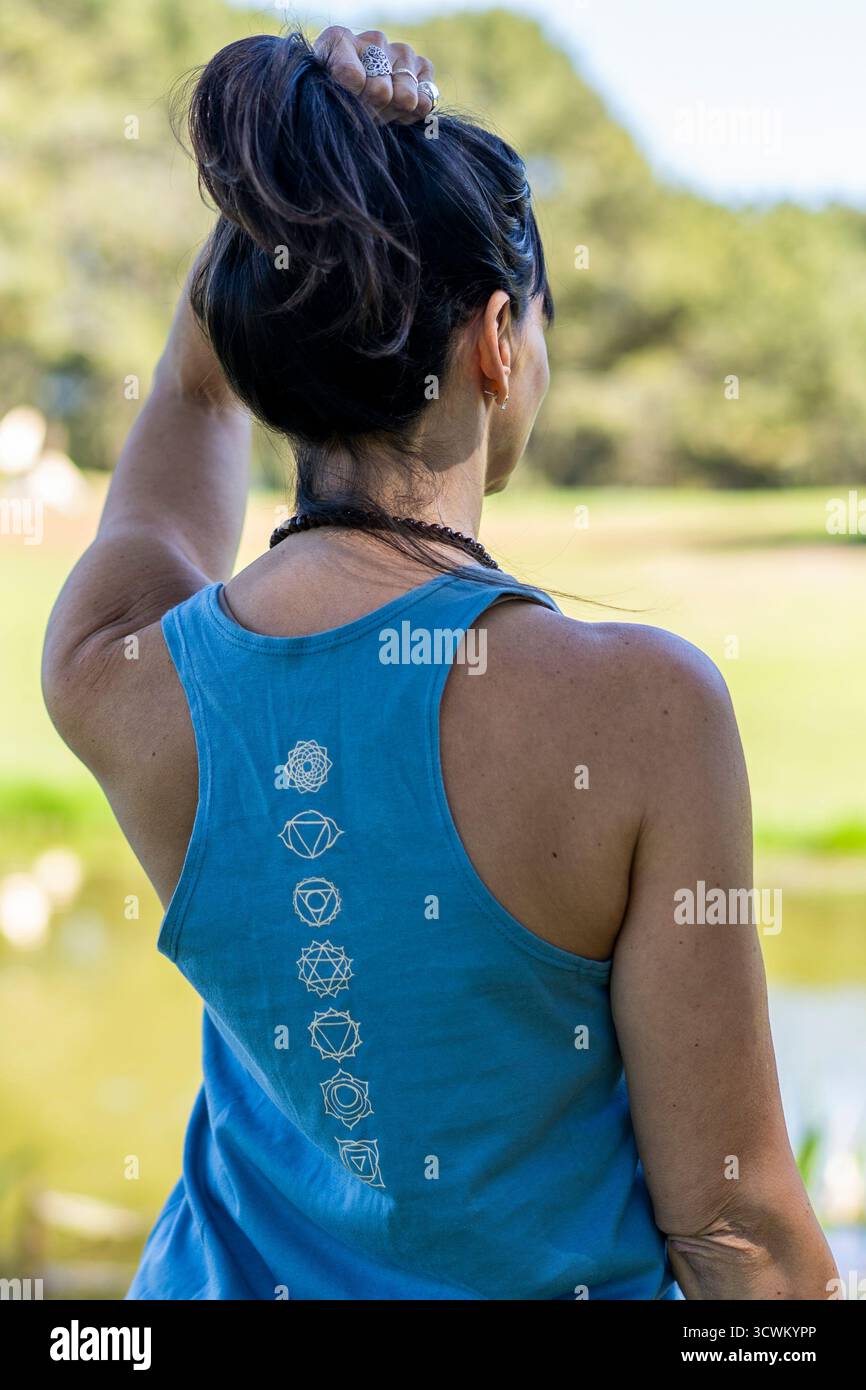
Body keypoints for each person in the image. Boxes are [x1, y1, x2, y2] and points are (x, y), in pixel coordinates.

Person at [42, 26, 836, 1300]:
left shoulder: (120, 672)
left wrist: (281, 202)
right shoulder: (645, 711)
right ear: (496, 342)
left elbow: (192, 402)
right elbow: (733, 1232)